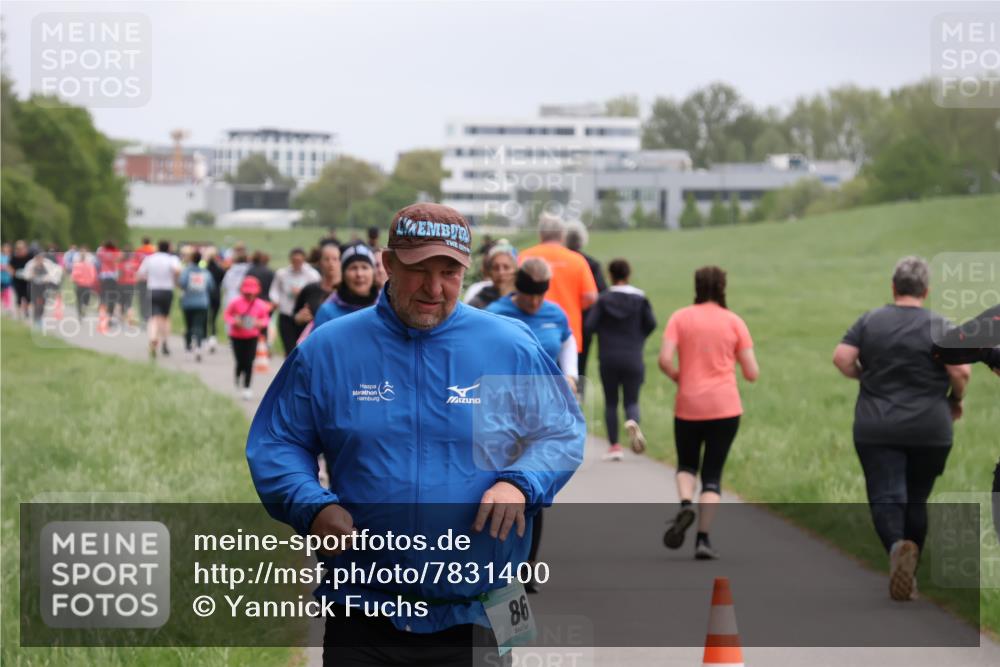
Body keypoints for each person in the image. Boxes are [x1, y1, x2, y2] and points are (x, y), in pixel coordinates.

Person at [246, 203, 585, 666]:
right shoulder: (329, 348)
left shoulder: (508, 345)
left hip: (485, 609)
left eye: (449, 271)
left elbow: (561, 432)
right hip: (363, 607)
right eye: (418, 269)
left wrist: (521, 480)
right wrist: (312, 505)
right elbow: (278, 441)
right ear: (388, 263)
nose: (434, 287)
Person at [833, 256, 971, 601]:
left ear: (893, 287)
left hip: (877, 425)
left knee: (885, 495)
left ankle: (897, 549)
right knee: (916, 498)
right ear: (926, 290)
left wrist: (865, 376)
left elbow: (842, 358)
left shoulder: (870, 321)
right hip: (931, 427)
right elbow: (962, 372)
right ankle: (911, 575)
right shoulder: (941, 325)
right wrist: (955, 400)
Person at [659, 266, 759, 560]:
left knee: (687, 465)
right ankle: (703, 539)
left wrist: (681, 376)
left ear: (697, 286)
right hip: (725, 407)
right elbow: (752, 372)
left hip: (688, 403)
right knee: (712, 475)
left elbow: (664, 359)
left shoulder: (680, 317)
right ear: (723, 287)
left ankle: (685, 503)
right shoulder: (734, 322)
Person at [584, 258, 657, 461]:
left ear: (610, 275)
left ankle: (615, 446)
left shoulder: (603, 299)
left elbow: (589, 326)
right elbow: (651, 323)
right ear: (628, 274)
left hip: (608, 356)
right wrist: (637, 337)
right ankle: (632, 420)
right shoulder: (640, 298)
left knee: (611, 402)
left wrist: (605, 332)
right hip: (633, 355)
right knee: (631, 400)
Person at [519, 214, 598, 363]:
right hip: (568, 331)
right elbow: (590, 297)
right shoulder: (577, 260)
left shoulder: (525, 257)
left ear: (541, 234)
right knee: (567, 381)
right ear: (562, 234)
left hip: (530, 331)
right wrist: (572, 305)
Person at [486, 258, 578, 384]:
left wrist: (571, 376)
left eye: (540, 296)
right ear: (518, 289)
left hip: (547, 395)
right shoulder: (495, 314)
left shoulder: (555, 313)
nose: (534, 302)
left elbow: (567, 341)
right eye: (528, 295)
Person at [564, 220, 608, 394]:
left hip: (558, 321)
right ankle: (578, 400)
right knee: (580, 366)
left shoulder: (560, 261)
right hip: (583, 324)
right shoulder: (591, 263)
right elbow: (601, 293)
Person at [309, 242, 379, 333]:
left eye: (364, 267)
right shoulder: (327, 313)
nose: (359, 274)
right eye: (353, 268)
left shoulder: (385, 308)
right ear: (343, 274)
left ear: (373, 273)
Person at [224, 275, 271, 400]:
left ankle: (247, 387)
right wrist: (235, 321)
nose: (249, 295)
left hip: (252, 336)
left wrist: (259, 323)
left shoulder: (260, 305)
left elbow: (266, 319)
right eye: (247, 293)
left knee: (249, 361)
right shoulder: (235, 302)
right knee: (240, 360)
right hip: (236, 336)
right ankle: (238, 375)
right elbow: (227, 315)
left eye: (252, 293)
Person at [269, 247, 320, 356]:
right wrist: (275, 300)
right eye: (294, 261)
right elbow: (274, 290)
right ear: (290, 260)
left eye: (299, 261)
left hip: (304, 316)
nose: (297, 263)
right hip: (286, 314)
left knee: (303, 349)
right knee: (290, 350)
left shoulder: (312, 275)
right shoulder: (282, 274)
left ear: (304, 260)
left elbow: (317, 294)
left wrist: (302, 294)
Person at [136, 240, 181, 359]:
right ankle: (165, 342)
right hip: (167, 290)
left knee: (153, 317)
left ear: (158, 247)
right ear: (168, 248)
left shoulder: (150, 259)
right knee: (165, 318)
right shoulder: (172, 259)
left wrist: (150, 278)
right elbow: (177, 271)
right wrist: (174, 280)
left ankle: (153, 338)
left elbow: (140, 274)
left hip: (153, 290)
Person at [292, 241, 341, 336]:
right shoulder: (309, 289)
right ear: (320, 262)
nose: (331, 263)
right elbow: (294, 315)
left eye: (335, 259)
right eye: (326, 259)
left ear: (341, 262)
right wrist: (298, 318)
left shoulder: (348, 292)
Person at [179, 251, 214, 362]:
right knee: (199, 325)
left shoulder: (186, 271)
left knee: (189, 324)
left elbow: (182, 284)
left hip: (188, 302)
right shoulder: (205, 273)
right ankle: (199, 346)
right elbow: (211, 286)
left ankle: (189, 344)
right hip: (202, 303)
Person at [467, 241, 517, 310]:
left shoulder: (524, 300)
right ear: (490, 272)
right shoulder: (477, 303)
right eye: (496, 268)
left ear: (515, 270)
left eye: (506, 267)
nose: (501, 272)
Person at [23, 252, 63, 327]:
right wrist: (31, 274)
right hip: (33, 286)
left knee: (42, 303)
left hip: (44, 286)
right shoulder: (30, 264)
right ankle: (36, 319)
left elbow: (53, 274)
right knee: (35, 303)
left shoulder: (47, 264)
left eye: (41, 257)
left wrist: (47, 278)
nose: (39, 259)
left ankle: (40, 317)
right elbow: (26, 275)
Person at [205, 248, 226, 354]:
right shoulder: (220, 269)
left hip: (205, 295)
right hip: (217, 295)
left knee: (205, 317)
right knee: (213, 318)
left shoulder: (205, 269)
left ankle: (205, 338)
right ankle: (213, 337)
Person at [96, 241, 122, 322]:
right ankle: (110, 315)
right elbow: (119, 259)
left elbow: (97, 258)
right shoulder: (116, 252)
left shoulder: (102, 252)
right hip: (113, 277)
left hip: (103, 276)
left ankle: (102, 314)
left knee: (103, 296)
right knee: (112, 297)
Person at [70, 247, 98, 318]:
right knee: (86, 300)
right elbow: (93, 276)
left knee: (79, 300)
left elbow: (73, 276)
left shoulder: (76, 265)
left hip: (79, 285)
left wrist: (75, 280)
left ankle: (80, 312)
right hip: (87, 285)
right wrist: (91, 282)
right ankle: (84, 309)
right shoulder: (90, 265)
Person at [117, 245, 141, 324]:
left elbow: (120, 274)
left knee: (121, 302)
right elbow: (137, 273)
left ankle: (121, 318)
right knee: (129, 302)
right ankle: (130, 318)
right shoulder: (134, 263)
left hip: (121, 284)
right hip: (131, 284)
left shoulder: (121, 263)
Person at [134, 236, 156, 322]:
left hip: (141, 278)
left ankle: (143, 316)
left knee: (142, 298)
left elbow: (135, 264)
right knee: (150, 298)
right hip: (151, 279)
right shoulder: (153, 251)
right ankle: (149, 314)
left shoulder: (138, 251)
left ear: (142, 242)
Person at [10, 240, 32, 319]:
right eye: (19, 249)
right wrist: (13, 272)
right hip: (17, 280)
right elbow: (10, 266)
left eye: (22, 248)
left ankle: (26, 310)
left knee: (27, 296)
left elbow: (33, 265)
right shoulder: (14, 257)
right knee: (19, 296)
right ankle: (19, 313)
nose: (21, 250)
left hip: (27, 280)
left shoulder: (29, 256)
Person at [2, 242, 15, 314]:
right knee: (2, 292)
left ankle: (7, 306)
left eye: (8, 248)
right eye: (5, 248)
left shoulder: (11, 257)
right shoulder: (1, 256)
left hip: (7, 278)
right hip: (1, 277)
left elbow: (12, 268)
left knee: (7, 292)